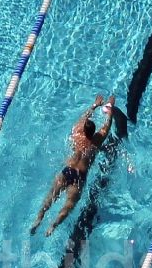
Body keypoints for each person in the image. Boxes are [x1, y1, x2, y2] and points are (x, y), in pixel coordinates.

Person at [31, 94, 115, 236]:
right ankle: (53, 225)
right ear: (94, 131)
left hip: (67, 171)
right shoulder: (96, 142)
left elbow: (83, 118)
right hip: (79, 177)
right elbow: (107, 125)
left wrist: (94, 105)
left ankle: (38, 219)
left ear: (83, 129)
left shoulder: (77, 134)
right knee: (68, 205)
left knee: (50, 197)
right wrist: (111, 109)